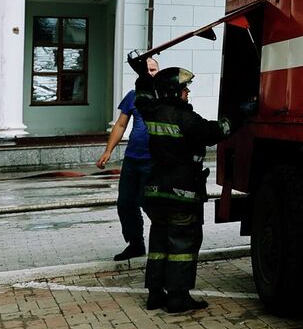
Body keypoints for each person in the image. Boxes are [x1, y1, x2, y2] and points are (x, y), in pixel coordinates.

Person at [135, 67, 251, 313]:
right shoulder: (185, 118)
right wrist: (241, 114)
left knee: (158, 244)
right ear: (174, 92)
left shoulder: (152, 112)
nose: (187, 92)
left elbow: (142, 97)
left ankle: (155, 295)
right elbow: (216, 132)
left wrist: (144, 76)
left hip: (156, 191)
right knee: (182, 245)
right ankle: (178, 298)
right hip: (181, 192)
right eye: (184, 88)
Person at [97, 55, 159, 261]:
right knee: (125, 203)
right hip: (132, 159)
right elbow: (121, 125)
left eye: (153, 70)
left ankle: (164, 243)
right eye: (147, 70)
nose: (149, 73)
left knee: (148, 202)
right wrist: (108, 151)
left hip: (154, 161)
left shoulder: (164, 96)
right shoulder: (133, 96)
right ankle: (136, 244)